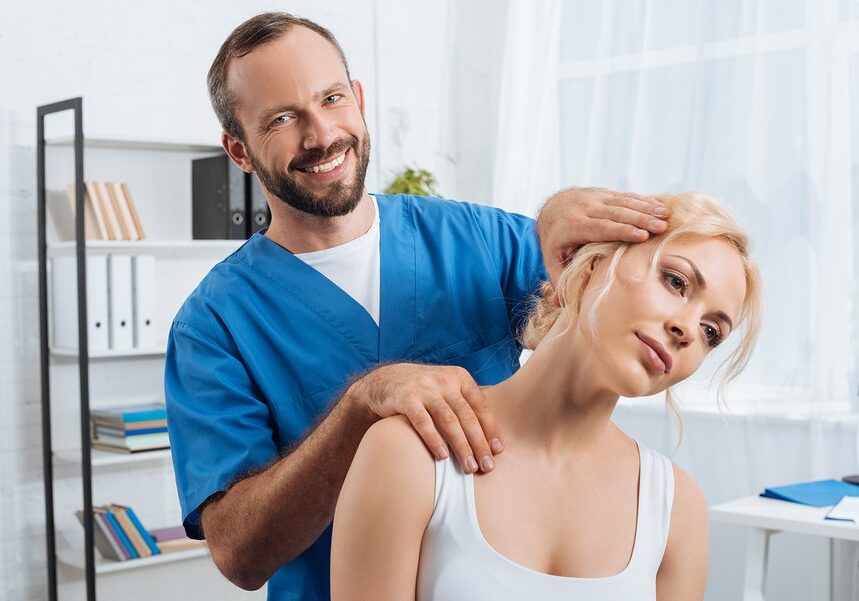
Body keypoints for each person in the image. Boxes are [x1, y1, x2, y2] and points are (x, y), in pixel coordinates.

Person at [164, 11, 673, 601]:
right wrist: (359, 407)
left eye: (331, 99)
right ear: (240, 150)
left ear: (357, 98)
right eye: (281, 119)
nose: (322, 134)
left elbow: (616, 307)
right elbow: (240, 555)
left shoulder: (483, 243)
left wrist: (565, 226)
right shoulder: (214, 325)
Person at [331, 192, 762, 600]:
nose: (687, 330)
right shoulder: (410, 453)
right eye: (675, 281)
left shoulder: (675, 508)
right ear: (591, 265)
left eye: (712, 332)